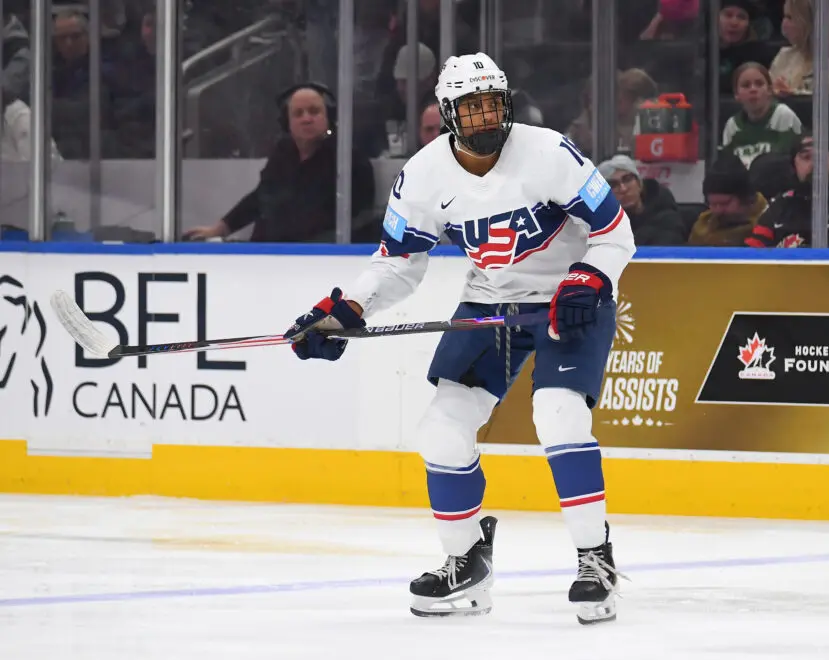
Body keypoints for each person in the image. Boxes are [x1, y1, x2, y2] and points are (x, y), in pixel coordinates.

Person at [281, 53, 636, 624]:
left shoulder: (548, 153)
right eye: (470, 108)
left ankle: (596, 561)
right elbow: (399, 264)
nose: (484, 117)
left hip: (568, 302)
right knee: (441, 431)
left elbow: (615, 232)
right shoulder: (422, 176)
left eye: (491, 103)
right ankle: (466, 561)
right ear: (448, 114)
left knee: (558, 414)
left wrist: (590, 278)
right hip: (489, 304)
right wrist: (347, 307)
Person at [184, 83, 374, 242]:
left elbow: (360, 219)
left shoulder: (348, 157)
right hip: (265, 255)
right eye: (298, 113)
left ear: (329, 117)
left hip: (317, 260)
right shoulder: (284, 153)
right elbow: (259, 198)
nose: (306, 118)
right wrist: (220, 228)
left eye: (314, 111)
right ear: (287, 123)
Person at [746, 135, 829, 248]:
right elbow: (750, 260)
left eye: (821, 157)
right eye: (806, 157)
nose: (815, 164)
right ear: (794, 165)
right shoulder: (779, 206)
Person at [721, 62, 802, 168]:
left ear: (769, 90)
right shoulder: (732, 126)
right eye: (746, 85)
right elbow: (727, 168)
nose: (753, 89)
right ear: (736, 94)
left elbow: (790, 164)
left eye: (759, 84)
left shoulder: (783, 115)